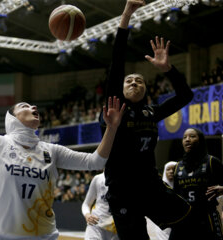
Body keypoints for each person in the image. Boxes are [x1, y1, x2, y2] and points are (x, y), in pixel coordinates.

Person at [0, 97, 125, 240]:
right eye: (25, 106)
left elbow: (95, 162)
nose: (34, 107)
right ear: (12, 119)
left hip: (43, 236)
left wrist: (112, 128)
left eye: (33, 105)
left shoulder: (52, 150)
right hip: (1, 236)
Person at [99, 0, 194, 239]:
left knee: (192, 221)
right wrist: (126, 15)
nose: (133, 83)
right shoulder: (114, 106)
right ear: (119, 89)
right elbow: (117, 60)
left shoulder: (152, 112)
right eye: (129, 81)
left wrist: (168, 69)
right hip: (122, 191)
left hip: (151, 187)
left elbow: (186, 95)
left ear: (145, 88)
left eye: (139, 80)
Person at [170, 127, 223, 240]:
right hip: (184, 219)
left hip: (207, 217)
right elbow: (175, 194)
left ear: (201, 140)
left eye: (192, 136)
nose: (187, 139)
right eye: (184, 137)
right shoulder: (178, 166)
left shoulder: (212, 161)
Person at [81, 172, 118, 240]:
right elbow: (86, 204)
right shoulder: (98, 178)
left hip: (116, 229)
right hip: (95, 225)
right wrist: (87, 215)